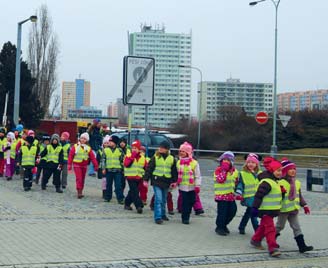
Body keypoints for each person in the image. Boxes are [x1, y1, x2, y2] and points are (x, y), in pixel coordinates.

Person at [276, 158, 313, 253]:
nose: (293, 171)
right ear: (285, 170)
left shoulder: (297, 182)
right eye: (290, 169)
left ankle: (302, 246)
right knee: (279, 227)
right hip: (284, 210)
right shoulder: (280, 182)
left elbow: (299, 196)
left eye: (294, 169)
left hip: (294, 209)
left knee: (297, 227)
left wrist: (304, 205)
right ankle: (271, 241)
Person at [250, 157, 284, 257]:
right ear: (272, 170)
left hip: (271, 210)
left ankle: (255, 240)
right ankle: (273, 248)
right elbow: (259, 195)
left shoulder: (275, 181)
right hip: (264, 210)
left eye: (281, 171)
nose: (279, 173)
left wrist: (283, 193)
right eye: (277, 170)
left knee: (263, 227)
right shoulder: (267, 182)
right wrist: (255, 208)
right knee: (270, 228)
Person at [145, 141, 178, 224]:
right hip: (157, 180)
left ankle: (163, 214)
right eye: (160, 147)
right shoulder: (155, 157)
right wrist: (145, 179)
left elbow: (174, 171)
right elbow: (149, 168)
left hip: (166, 181)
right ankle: (158, 217)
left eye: (162, 148)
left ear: (167, 149)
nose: (160, 149)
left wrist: (174, 181)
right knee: (158, 199)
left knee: (163, 199)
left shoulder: (171, 158)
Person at [174, 142, 201, 224]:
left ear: (188, 153)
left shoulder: (194, 163)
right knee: (185, 202)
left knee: (191, 201)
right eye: (180, 151)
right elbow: (176, 174)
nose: (181, 153)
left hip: (192, 187)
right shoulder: (178, 162)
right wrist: (175, 182)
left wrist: (197, 185)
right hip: (182, 186)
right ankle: (185, 218)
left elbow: (197, 175)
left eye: (183, 151)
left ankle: (187, 214)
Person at [214, 151, 239, 236]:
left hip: (230, 196)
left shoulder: (235, 171)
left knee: (233, 211)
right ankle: (220, 227)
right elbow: (220, 179)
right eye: (224, 160)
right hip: (221, 196)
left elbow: (236, 182)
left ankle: (224, 224)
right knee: (222, 212)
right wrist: (224, 170)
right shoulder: (218, 170)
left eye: (227, 160)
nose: (225, 162)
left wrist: (238, 193)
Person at [235, 153, 260, 234]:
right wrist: (239, 192)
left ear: (256, 164)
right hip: (249, 197)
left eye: (253, 162)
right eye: (249, 162)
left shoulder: (260, 173)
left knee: (248, 213)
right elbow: (240, 184)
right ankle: (258, 231)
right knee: (253, 214)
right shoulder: (243, 173)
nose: (250, 164)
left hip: (257, 197)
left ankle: (241, 227)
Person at [68, 132, 98, 198]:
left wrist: (96, 166)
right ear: (79, 139)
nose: (83, 140)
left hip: (84, 165)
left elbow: (93, 157)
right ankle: (79, 192)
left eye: (84, 139)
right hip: (76, 164)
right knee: (79, 178)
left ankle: (81, 190)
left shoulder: (88, 148)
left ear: (87, 140)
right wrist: (69, 164)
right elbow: (71, 155)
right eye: (82, 138)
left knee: (83, 179)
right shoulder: (75, 146)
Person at [123, 140, 146, 213]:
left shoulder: (142, 157)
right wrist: (132, 157)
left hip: (139, 177)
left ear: (139, 149)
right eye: (133, 148)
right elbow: (126, 164)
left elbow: (145, 166)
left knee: (132, 191)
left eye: (135, 148)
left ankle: (127, 204)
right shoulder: (128, 155)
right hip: (130, 176)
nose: (134, 149)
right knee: (135, 191)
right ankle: (138, 206)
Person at [102, 135, 124, 203]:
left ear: (115, 143)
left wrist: (123, 169)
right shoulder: (105, 150)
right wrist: (103, 168)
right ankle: (107, 197)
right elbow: (103, 160)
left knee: (118, 186)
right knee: (108, 185)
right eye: (109, 141)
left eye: (111, 142)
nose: (109, 143)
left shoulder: (120, 150)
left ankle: (120, 198)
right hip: (109, 170)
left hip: (118, 171)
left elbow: (122, 160)